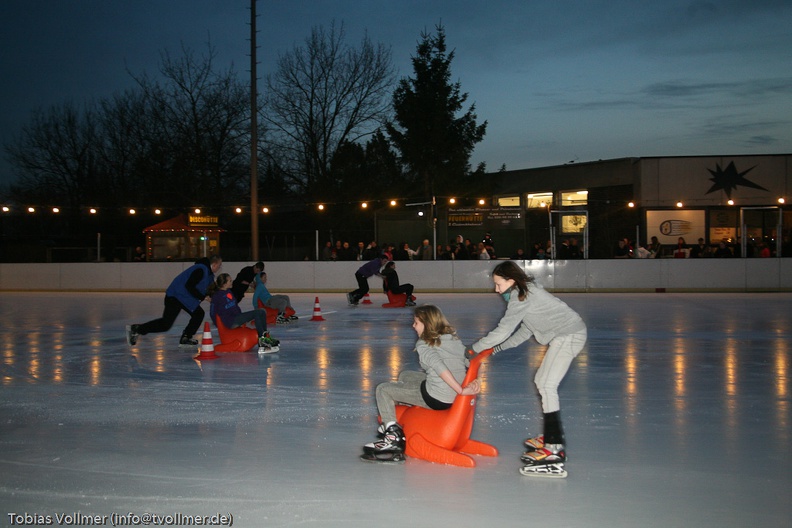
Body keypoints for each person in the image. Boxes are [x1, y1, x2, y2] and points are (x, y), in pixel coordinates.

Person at [467, 261, 587, 478]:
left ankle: (553, 448)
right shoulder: (525, 293)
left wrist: (474, 349)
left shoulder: (521, 297)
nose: (496, 289)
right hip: (566, 335)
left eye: (498, 284)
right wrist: (495, 350)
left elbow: (503, 330)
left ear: (511, 281)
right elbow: (524, 331)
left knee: (547, 384)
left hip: (570, 335)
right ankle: (551, 435)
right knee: (543, 381)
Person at [362, 304, 481, 460]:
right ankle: (410, 411)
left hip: (437, 398)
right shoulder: (453, 339)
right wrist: (475, 381)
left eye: (416, 322)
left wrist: (460, 390)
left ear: (427, 324)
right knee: (406, 376)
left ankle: (392, 436)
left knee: (383, 389)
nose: (413, 326)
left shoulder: (424, 344)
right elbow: (471, 361)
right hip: (454, 395)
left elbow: (440, 367)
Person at [126, 255, 222, 347]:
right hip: (175, 296)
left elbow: (212, 289)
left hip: (184, 298)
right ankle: (137, 329)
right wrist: (203, 297)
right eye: (219, 265)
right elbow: (189, 286)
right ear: (214, 264)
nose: (219, 267)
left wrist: (220, 297)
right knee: (165, 324)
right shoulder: (200, 270)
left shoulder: (209, 275)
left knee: (198, 314)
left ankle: (186, 337)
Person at [208, 273, 280, 353]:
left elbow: (235, 307)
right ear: (224, 283)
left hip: (236, 317)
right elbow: (212, 312)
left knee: (262, 311)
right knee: (258, 312)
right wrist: (220, 326)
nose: (232, 282)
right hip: (230, 321)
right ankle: (262, 341)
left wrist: (242, 320)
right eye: (230, 281)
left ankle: (266, 337)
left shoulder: (228, 292)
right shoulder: (217, 296)